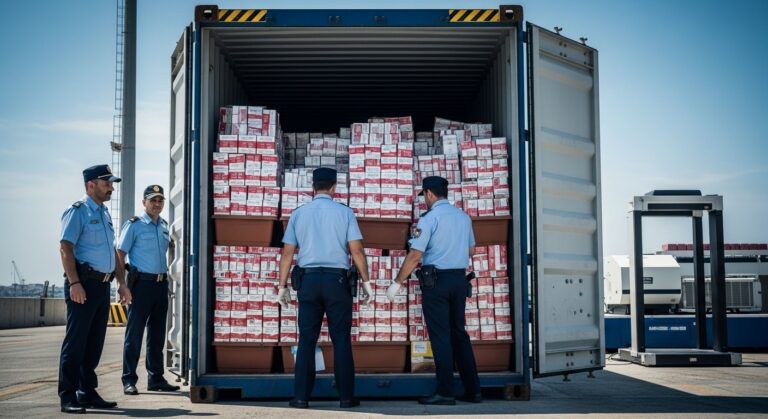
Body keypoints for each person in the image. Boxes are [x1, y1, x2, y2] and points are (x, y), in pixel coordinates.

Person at [277, 167, 373, 409]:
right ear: (334, 187)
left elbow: (287, 252)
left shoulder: (299, 214)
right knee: (341, 339)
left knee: (307, 339)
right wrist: (366, 281)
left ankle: (300, 397)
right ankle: (346, 398)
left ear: (313, 187)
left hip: (308, 282)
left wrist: (282, 285)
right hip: (337, 282)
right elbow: (357, 250)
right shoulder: (345, 213)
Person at [387, 176, 481, 405]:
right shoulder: (463, 217)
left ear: (429, 194)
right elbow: (472, 250)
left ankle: (445, 393)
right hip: (459, 280)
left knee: (441, 337)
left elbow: (415, 255)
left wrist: (398, 282)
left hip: (437, 283)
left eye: (424, 196)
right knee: (459, 334)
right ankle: (474, 390)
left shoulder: (428, 220)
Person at [58, 164, 132, 414]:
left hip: (103, 286)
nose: (111, 187)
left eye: (111, 183)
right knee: (76, 343)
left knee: (94, 344)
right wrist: (75, 283)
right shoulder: (77, 211)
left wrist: (121, 284)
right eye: (107, 183)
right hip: (84, 284)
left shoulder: (104, 213)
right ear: (91, 185)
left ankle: (86, 391)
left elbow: (112, 251)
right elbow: (65, 248)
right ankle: (68, 395)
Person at [118, 185, 180, 395]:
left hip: (160, 285)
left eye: (160, 200)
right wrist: (122, 285)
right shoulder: (134, 225)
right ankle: (129, 379)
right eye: (152, 200)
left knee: (157, 334)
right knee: (134, 334)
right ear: (144, 202)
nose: (157, 204)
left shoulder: (164, 227)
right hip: (141, 285)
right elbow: (120, 254)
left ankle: (155, 378)